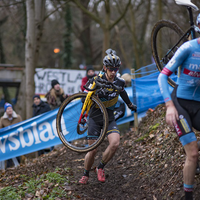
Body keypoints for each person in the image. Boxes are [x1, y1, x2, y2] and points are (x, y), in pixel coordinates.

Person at [79, 48, 137, 184]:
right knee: (92, 150)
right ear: (105, 68)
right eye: (110, 69)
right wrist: (97, 95)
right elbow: (83, 99)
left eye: (115, 69)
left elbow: (122, 92)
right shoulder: (95, 80)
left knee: (115, 143)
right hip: (95, 117)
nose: (113, 72)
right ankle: (85, 174)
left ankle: (100, 167)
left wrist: (129, 104)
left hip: (109, 117)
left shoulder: (119, 81)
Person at [158, 37, 200, 200]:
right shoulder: (188, 48)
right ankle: (188, 196)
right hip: (180, 104)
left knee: (193, 148)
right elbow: (162, 77)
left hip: (198, 105)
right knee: (193, 154)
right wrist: (169, 105)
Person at [0, 103, 22, 168]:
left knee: (17, 155)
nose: (10, 110)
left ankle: (19, 167)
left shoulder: (18, 117)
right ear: (5, 111)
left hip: (16, 139)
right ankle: (8, 170)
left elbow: (22, 126)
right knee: (9, 157)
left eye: (10, 108)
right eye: (8, 109)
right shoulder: (2, 119)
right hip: (7, 141)